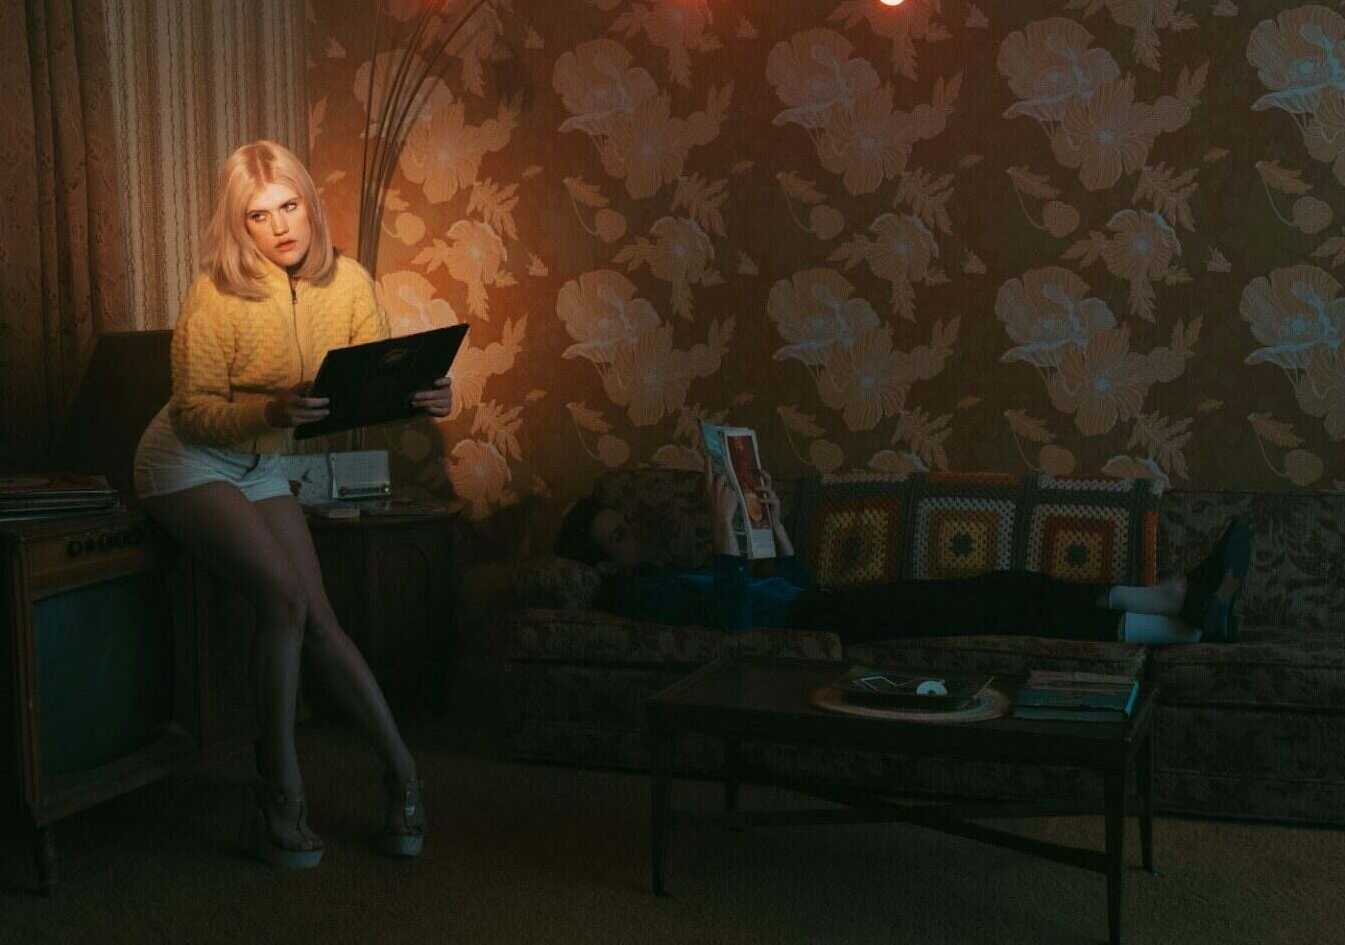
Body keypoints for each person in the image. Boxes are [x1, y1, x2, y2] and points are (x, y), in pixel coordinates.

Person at [133, 140, 452, 868]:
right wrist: (271, 414)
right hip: (187, 459)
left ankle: (402, 772)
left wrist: (425, 399)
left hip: (263, 461)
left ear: (309, 205)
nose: (279, 226)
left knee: (320, 621)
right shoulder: (214, 294)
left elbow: (368, 385)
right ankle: (279, 791)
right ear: (237, 226)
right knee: (282, 600)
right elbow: (192, 414)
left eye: (289, 206)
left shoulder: (350, 282)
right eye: (257, 214)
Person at [554, 471, 1249, 647]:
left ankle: (1172, 608)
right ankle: (1175, 608)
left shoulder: (666, 574)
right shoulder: (643, 598)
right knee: (992, 612)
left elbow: (793, 581)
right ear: (603, 564)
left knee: (1000, 583)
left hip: (823, 602)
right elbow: (739, 621)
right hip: (816, 626)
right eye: (616, 535)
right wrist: (724, 531)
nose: (633, 532)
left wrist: (774, 527)